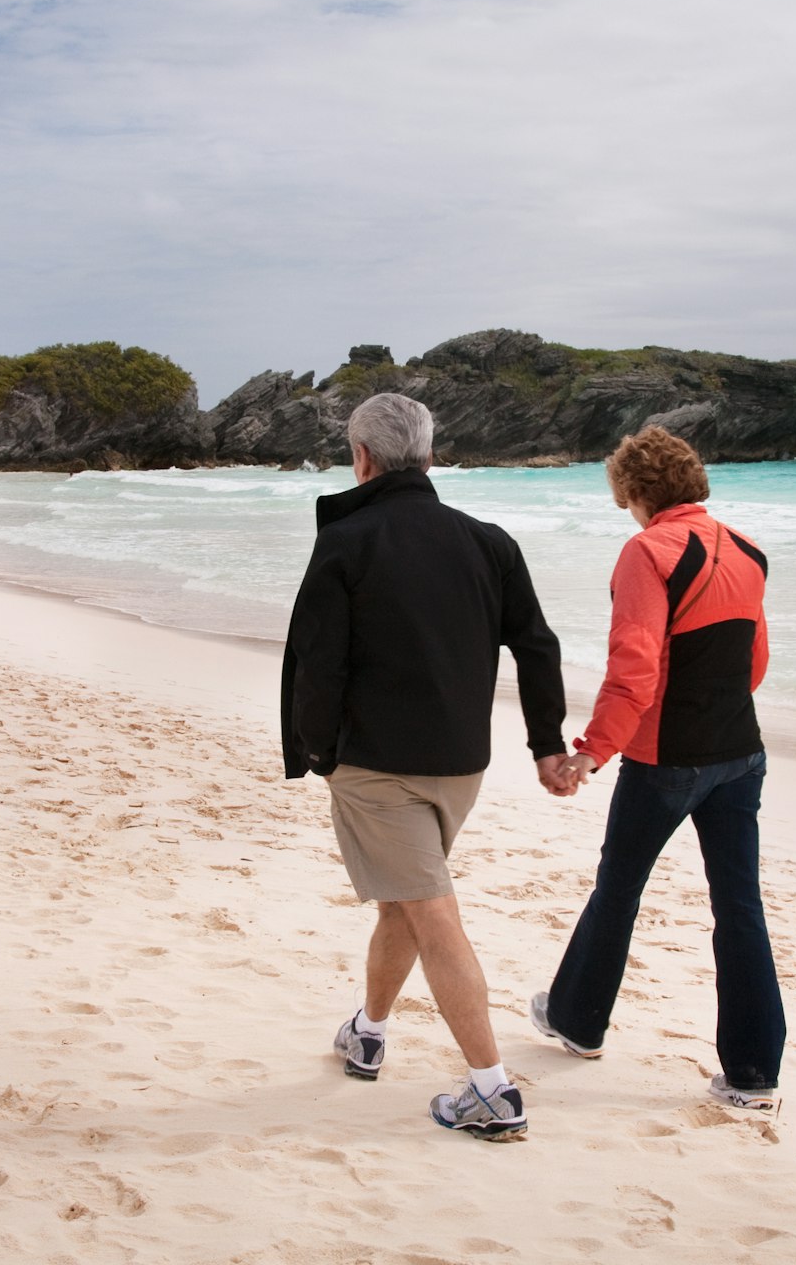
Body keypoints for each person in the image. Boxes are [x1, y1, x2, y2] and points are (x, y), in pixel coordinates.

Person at [283, 392, 570, 1142]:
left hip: (377, 767)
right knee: (405, 904)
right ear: (430, 457)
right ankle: (369, 1031)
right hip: (461, 766)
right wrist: (546, 744)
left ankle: (492, 1090)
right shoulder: (488, 541)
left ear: (363, 458)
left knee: (431, 912)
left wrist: (317, 753)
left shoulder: (348, 540)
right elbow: (537, 645)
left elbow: (319, 661)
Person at [530, 426, 785, 1111]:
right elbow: (754, 662)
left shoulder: (649, 551)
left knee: (618, 889)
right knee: (740, 909)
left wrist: (591, 750)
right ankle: (755, 1075)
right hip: (741, 754)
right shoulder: (748, 550)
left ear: (635, 491)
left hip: (666, 759)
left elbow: (634, 666)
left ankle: (578, 1023)